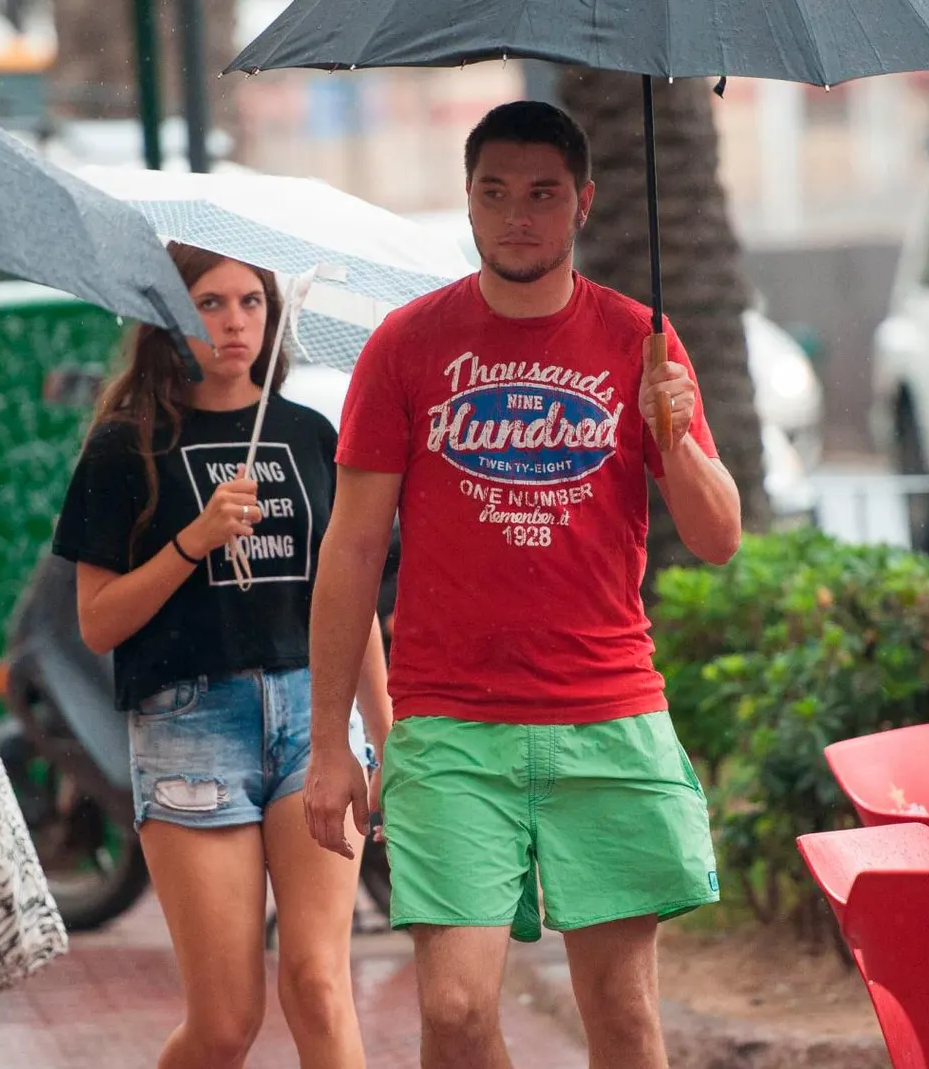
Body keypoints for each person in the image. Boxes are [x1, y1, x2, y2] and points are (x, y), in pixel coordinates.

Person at [304, 100, 744, 1069]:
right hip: (451, 724)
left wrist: (674, 434)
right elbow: (350, 550)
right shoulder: (406, 343)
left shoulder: (641, 340)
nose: (517, 215)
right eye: (495, 192)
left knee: (623, 1017)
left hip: (607, 716)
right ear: (465, 202)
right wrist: (331, 742)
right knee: (455, 1010)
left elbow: (718, 537)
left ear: (581, 203)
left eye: (542, 193)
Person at [52, 242, 390, 1069]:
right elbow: (96, 622)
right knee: (226, 1020)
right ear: (171, 315)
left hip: (315, 717)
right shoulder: (123, 449)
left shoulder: (310, 435)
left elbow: (347, 600)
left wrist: (391, 732)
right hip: (189, 729)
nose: (235, 323)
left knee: (318, 981)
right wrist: (193, 540)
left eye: (251, 303)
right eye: (210, 302)